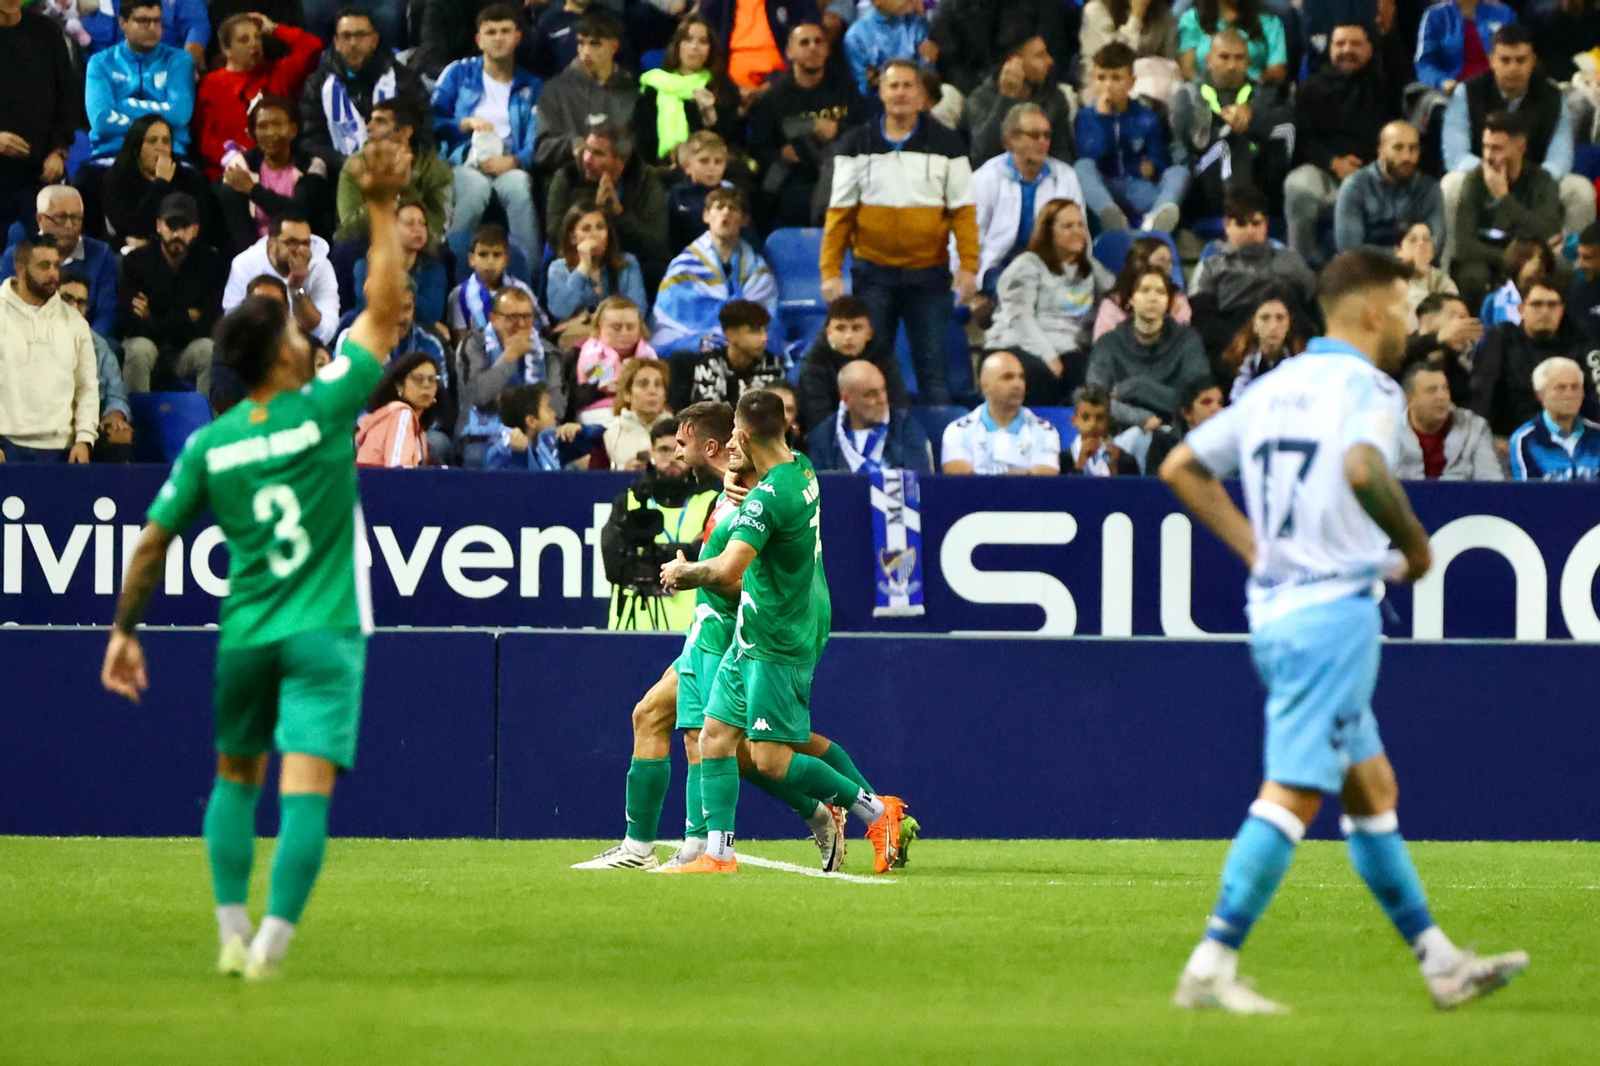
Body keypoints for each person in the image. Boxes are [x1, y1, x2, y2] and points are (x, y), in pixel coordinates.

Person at [1160, 247, 1529, 1014]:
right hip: (1330, 614)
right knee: (1294, 793)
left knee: (1373, 789)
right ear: (1369, 312)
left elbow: (1183, 467)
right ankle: (1211, 962)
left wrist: (1256, 551)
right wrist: (1419, 547)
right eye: (1402, 307)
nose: (1409, 322)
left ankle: (1439, 962)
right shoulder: (1367, 386)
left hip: (1285, 608)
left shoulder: (1278, 384)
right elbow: (1364, 468)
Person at [99, 136, 414, 981]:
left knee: (235, 778)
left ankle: (232, 930)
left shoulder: (210, 447)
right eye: (294, 330)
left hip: (244, 633)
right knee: (304, 790)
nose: (307, 334)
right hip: (325, 633)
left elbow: (154, 540)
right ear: (279, 354)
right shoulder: (323, 411)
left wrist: (125, 631)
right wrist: (381, 206)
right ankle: (271, 948)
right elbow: (385, 315)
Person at [574, 400, 865, 873]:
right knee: (655, 717)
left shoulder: (752, 502)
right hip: (705, 635)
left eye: (680, 444)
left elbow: (739, 580)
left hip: (731, 637)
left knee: (735, 746)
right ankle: (639, 848)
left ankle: (818, 813)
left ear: (721, 442)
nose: (671, 455)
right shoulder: (735, 491)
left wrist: (691, 572)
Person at [658, 388, 915, 875]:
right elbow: (760, 475)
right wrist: (740, 476)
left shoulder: (767, 502)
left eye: (735, 431)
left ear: (746, 433)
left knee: (772, 760)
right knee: (714, 735)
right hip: (759, 627)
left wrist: (683, 572)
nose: (731, 440)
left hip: (778, 632)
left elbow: (729, 568)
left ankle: (877, 813)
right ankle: (719, 852)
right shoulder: (801, 466)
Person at [821, 59, 978, 405]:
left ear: (922, 94)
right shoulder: (854, 144)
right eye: (893, 86)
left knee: (933, 371)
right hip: (873, 275)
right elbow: (839, 216)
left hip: (930, 277)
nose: (901, 93)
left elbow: (963, 213)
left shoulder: (948, 143)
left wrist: (969, 266)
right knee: (869, 368)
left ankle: (936, 455)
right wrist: (830, 271)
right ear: (881, 93)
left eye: (908, 86)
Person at [1441, 26, 1594, 265]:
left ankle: (1570, 274)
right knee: (1451, 185)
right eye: (1505, 60)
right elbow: (1455, 155)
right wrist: (1492, 177)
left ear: (1532, 61)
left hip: (1535, 181)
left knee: (1580, 190)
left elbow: (1560, 157)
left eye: (1521, 60)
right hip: (1482, 179)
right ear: (1491, 60)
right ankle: (1451, 272)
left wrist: (1523, 180)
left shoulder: (1553, 95)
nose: (1513, 67)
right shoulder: (1467, 92)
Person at [1284, 22, 1403, 264]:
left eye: (1355, 44)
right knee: (1296, 186)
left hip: (1371, 174)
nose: (1347, 49)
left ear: (1370, 50)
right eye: (1340, 43)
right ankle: (1300, 269)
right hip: (1323, 170)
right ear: (1329, 49)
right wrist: (1333, 162)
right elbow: (1304, 140)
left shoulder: (1384, 85)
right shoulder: (1311, 89)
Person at [432, 4, 543, 259]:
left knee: (519, 189)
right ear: (479, 40)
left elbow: (537, 138)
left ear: (518, 37)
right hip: (465, 162)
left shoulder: (533, 85)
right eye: (490, 32)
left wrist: (515, 161)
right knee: (474, 189)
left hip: (509, 164)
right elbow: (429, 122)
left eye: (505, 31)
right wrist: (463, 124)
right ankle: (453, 268)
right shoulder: (458, 73)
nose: (498, 38)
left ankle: (527, 281)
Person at [985, 199, 1115, 403]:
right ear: (1049, 232)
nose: (1077, 231)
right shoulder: (1027, 264)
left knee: (1094, 378)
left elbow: (1119, 294)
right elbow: (1020, 318)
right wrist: (1048, 356)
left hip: (1069, 348)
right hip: (1018, 345)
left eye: (1081, 225)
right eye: (1068, 226)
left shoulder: (1090, 267)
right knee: (1040, 378)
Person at [746, 21, 864, 231]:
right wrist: (781, 153)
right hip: (799, 179)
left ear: (827, 49)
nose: (813, 48)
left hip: (843, 172)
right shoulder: (774, 98)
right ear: (789, 52)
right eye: (804, 42)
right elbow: (758, 149)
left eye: (819, 41)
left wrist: (837, 130)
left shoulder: (845, 86)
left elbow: (867, 132)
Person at [969, 103, 1084, 313]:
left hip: (1052, 267)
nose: (1043, 142)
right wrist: (968, 285)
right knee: (1021, 292)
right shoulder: (985, 178)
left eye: (1047, 135)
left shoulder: (1066, 177)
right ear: (1011, 139)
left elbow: (1079, 235)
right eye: (1034, 136)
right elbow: (968, 237)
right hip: (999, 267)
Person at [1168, 30, 1292, 221]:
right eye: (1224, 57)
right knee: (1230, 143)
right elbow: (1196, 142)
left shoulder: (1260, 92)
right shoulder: (1189, 95)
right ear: (1209, 60)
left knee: (1285, 129)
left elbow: (1286, 120)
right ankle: (1241, 218)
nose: (1232, 65)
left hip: (1253, 173)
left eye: (1239, 58)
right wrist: (1225, 122)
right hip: (1201, 181)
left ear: (1248, 62)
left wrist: (1250, 118)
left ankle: (1272, 212)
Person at [0, 235, 98, 463]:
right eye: (44, 266)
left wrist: (84, 439)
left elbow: (87, 387)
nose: (54, 274)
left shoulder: (75, 322)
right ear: (20, 269)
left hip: (60, 449)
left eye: (56, 265)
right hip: (6, 447)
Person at [1451, 111, 1563, 310]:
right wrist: (1508, 259)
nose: (1488, 156)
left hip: (1531, 258)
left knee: (1561, 269)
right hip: (1487, 257)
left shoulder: (1541, 181)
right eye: (1485, 147)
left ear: (1520, 148)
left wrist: (1504, 198)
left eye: (1497, 148)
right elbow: (1464, 243)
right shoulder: (1474, 181)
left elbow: (1548, 231)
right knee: (1474, 275)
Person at [1073, 43, 1187, 233]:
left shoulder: (1146, 117)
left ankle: (1156, 220)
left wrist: (1153, 166)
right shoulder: (1086, 117)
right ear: (1093, 80)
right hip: (1105, 188)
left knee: (1179, 172)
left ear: (1131, 82)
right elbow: (1091, 156)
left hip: (1138, 189)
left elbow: (1160, 159)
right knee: (1080, 167)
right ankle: (1110, 216)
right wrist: (1102, 119)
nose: (1108, 85)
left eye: (1116, 78)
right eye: (1101, 78)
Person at [119, 192, 226, 394]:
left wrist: (151, 319)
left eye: (184, 227)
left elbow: (208, 324)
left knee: (209, 350)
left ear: (195, 229)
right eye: (171, 226)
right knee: (138, 349)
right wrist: (187, 317)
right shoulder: (136, 261)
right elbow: (130, 323)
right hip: (150, 348)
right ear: (159, 226)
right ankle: (134, 424)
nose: (177, 234)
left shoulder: (211, 262)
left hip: (187, 352)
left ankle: (209, 422)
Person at [194, 13, 324, 180]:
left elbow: (313, 46)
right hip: (230, 173)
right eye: (244, 40)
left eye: (257, 37)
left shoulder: (278, 74)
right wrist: (236, 161)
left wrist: (275, 30)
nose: (254, 45)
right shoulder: (209, 86)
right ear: (226, 49)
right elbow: (206, 141)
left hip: (279, 169)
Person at [299, 7, 429, 173]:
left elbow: (424, 134)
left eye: (360, 35)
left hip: (398, 172)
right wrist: (349, 164)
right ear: (336, 43)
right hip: (337, 175)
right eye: (346, 36)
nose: (353, 43)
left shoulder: (404, 80)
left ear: (375, 40)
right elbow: (311, 142)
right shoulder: (317, 84)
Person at [652, 188, 778, 355]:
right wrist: (697, 342)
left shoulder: (757, 270)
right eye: (719, 207)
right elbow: (668, 323)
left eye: (733, 208)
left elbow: (769, 318)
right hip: (696, 353)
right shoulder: (684, 267)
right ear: (706, 216)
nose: (725, 212)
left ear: (744, 220)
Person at [544, 125, 671, 290]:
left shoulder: (644, 179)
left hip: (630, 259)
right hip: (579, 258)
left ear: (621, 160)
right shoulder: (568, 177)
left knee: (656, 266)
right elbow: (555, 233)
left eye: (598, 154)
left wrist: (619, 216)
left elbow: (656, 241)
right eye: (586, 150)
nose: (587, 159)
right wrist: (594, 211)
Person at [1189, 187, 1317, 349]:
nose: (1249, 231)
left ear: (1266, 225)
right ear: (1227, 225)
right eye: (1241, 224)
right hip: (1233, 349)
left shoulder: (1291, 261)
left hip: (1290, 349)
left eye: (1256, 223)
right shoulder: (1210, 267)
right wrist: (1244, 343)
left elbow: (1314, 308)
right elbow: (1203, 320)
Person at [1471, 280, 1596, 445]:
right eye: (1537, 304)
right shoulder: (1503, 338)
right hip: (1508, 441)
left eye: (1552, 305)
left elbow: (1595, 401)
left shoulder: (1580, 342)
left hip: (1572, 442)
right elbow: (1481, 395)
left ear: (1562, 310)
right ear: (1522, 310)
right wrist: (1485, 440)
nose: (1545, 311)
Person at [456, 286, 565, 466]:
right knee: (476, 456)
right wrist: (509, 357)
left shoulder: (548, 352)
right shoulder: (473, 345)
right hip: (482, 436)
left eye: (527, 317)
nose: (521, 324)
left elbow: (557, 406)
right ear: (494, 319)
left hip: (537, 435)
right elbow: (476, 395)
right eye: (513, 317)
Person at [1088, 268, 1208, 429]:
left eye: (1160, 292)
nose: (1152, 298)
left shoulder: (1187, 341)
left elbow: (1199, 399)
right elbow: (1093, 401)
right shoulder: (1108, 343)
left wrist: (1139, 387)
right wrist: (1140, 418)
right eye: (1144, 290)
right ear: (1130, 299)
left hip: (1176, 431)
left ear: (1168, 302)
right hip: (1122, 432)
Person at [0, 0, 79, 242]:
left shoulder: (46, 32)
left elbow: (68, 98)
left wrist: (59, 151)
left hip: (41, 170)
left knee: (48, 256)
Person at [217, 95, 336, 255]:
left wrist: (253, 190)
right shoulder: (241, 166)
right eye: (262, 126)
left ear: (293, 130)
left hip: (304, 252)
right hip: (254, 256)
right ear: (254, 133)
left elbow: (300, 213)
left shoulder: (312, 165)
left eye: (277, 125)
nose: (270, 132)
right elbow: (237, 231)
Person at [2, 186, 121, 339]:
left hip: (88, 341)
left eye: (76, 218)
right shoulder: (15, 256)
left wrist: (83, 344)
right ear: (40, 219)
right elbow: (8, 312)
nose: (69, 226)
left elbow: (107, 315)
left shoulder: (101, 254)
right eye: (61, 218)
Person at [84, 0, 196, 161]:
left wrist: (126, 105)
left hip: (169, 154)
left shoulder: (180, 60)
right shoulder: (101, 62)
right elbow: (101, 121)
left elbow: (179, 115)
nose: (152, 28)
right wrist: (158, 121)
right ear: (123, 23)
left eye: (157, 21)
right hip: (113, 153)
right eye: (143, 21)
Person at [334, 98, 454, 247]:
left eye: (380, 121)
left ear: (405, 132)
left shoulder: (436, 171)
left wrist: (405, 189)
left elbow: (438, 228)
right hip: (369, 243)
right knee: (346, 247)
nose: (368, 127)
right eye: (370, 120)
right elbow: (350, 229)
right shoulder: (355, 166)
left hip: (419, 248)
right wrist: (387, 194)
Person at [532, 10, 637, 178]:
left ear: (614, 46)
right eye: (581, 43)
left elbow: (640, 146)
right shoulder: (555, 89)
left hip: (621, 180)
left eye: (595, 44)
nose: (586, 51)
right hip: (571, 181)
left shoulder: (629, 91)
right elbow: (541, 150)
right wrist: (574, 144)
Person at [634, 15, 743, 164]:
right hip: (660, 170)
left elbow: (730, 141)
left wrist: (710, 116)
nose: (694, 47)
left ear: (711, 48)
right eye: (688, 39)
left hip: (710, 170)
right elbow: (643, 142)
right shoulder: (655, 85)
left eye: (703, 41)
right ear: (678, 45)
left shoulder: (722, 86)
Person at [223, 210, 342, 346]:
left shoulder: (321, 266)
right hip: (256, 348)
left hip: (304, 349)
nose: (300, 250)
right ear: (271, 243)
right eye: (291, 242)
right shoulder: (245, 264)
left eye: (305, 243)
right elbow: (232, 324)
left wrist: (296, 289)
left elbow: (325, 332)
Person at [796, 294, 908, 434]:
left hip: (879, 435)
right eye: (840, 328)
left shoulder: (883, 357)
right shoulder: (814, 362)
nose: (848, 336)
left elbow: (899, 407)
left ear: (869, 333)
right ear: (828, 332)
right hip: (830, 440)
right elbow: (818, 418)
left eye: (856, 328)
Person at [100, 116, 214, 250]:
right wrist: (161, 185)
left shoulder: (188, 178)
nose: (160, 148)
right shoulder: (117, 180)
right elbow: (132, 227)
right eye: (152, 141)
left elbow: (202, 226)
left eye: (166, 141)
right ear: (137, 148)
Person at [941, 350, 1061, 475]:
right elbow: (959, 481)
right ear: (984, 386)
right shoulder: (958, 430)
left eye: (1021, 377)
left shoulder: (1044, 430)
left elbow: (1045, 477)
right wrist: (1021, 475)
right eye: (1008, 377)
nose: (1018, 384)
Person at [964, 33, 1074, 168]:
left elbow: (1063, 155)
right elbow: (982, 156)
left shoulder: (1054, 97)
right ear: (1014, 62)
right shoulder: (980, 99)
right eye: (1040, 56)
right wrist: (1007, 99)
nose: (1049, 61)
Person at [1335, 122, 1446, 254]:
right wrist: (1399, 256)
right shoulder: (1355, 186)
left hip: (1416, 270)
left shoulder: (1429, 189)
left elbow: (1435, 245)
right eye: (1398, 148)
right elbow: (1350, 250)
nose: (1407, 156)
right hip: (1367, 270)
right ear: (1381, 152)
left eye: (1413, 148)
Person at [58, 271, 134, 462]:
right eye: (67, 299)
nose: (74, 307)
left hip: (87, 424)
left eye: (81, 302)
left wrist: (115, 418)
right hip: (48, 424)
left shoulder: (99, 347)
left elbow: (116, 397)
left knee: (121, 437)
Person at [806, 358, 932, 472]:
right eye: (871, 394)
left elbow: (918, 485)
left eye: (883, 390)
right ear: (846, 399)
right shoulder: (824, 436)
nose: (882, 399)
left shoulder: (906, 428)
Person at [927, 0, 1071, 97]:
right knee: (947, 99)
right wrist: (990, 89)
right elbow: (950, 66)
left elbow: (1054, 54)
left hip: (1033, 84)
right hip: (974, 91)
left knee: (1067, 95)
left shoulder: (1041, 4)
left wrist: (1029, 85)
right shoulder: (951, 8)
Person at [666, 298, 789, 409]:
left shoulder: (773, 365)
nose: (764, 338)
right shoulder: (711, 364)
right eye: (754, 331)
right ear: (730, 335)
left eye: (765, 331)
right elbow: (707, 416)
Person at [348, 201, 449, 334]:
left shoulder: (434, 269)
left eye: (422, 223)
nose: (418, 229)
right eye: (410, 223)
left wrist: (396, 274)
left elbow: (431, 314)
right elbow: (369, 306)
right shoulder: (365, 266)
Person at [1395, 359, 1501, 480]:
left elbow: (1491, 482)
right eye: (1431, 390)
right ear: (1409, 399)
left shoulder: (1474, 427)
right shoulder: (1388, 431)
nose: (1442, 396)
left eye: (1445, 389)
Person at [544, 201, 648, 324]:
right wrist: (583, 268)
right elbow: (560, 311)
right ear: (573, 237)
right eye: (586, 229)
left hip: (620, 337)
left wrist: (587, 319)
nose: (594, 235)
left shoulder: (627, 263)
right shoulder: (558, 269)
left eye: (600, 227)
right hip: (577, 341)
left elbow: (638, 311)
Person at [1509, 355, 1600, 479]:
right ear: (1540, 395)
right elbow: (1526, 495)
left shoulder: (1597, 434)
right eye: (1560, 388)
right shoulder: (1524, 440)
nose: (1569, 395)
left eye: (1575, 387)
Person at [1114, 373, 1224, 474]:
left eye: (1220, 403)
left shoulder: (1232, 446)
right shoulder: (1163, 445)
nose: (1216, 408)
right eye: (1206, 402)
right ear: (1187, 413)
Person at [573, 295, 658, 423]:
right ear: (598, 328)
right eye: (616, 327)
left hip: (642, 409)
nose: (624, 333)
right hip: (599, 409)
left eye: (630, 327)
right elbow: (591, 383)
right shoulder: (591, 352)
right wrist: (611, 361)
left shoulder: (648, 354)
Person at [447, 222, 537, 342]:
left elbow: (536, 329)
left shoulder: (522, 290)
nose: (490, 261)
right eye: (483, 255)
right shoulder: (459, 295)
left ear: (506, 260)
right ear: (471, 260)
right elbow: (461, 341)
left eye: (497, 255)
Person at [1093, 236, 1192, 340]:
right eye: (1161, 260)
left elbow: (1182, 341)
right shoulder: (1114, 302)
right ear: (1139, 262)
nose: (1169, 266)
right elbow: (1102, 344)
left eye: (1170, 261)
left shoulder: (1178, 300)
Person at [1176, 0, 1287, 91]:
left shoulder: (1269, 22)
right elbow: (1187, 70)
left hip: (1254, 94)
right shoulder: (1192, 19)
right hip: (1204, 93)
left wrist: (1248, 86)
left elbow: (1277, 71)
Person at [355, 350, 439, 467]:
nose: (426, 385)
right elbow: (399, 471)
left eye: (432, 379)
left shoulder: (419, 429)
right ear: (400, 386)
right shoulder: (401, 414)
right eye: (418, 379)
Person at [1415, 0, 1517, 93]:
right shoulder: (1434, 15)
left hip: (1497, 89)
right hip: (1452, 91)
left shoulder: (1504, 13)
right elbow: (1424, 63)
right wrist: (1443, 82)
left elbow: (1516, 53)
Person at [1077, 0, 1180, 88]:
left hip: (1150, 88)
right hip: (1104, 87)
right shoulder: (1095, 10)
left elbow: (1170, 63)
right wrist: (1136, 17)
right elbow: (1112, 60)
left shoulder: (1163, 14)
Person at [1221, 296, 1304, 400]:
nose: (1273, 326)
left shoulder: (1303, 364)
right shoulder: (1234, 362)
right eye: (1265, 318)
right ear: (1254, 324)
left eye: (1280, 318)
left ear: (1289, 323)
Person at [1407, 291, 1482, 405]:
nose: (1466, 324)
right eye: (1459, 318)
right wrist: (1440, 337)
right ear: (1428, 320)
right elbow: (1410, 348)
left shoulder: (1457, 369)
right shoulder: (1401, 351)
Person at [600, 357, 671, 470]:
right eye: (643, 384)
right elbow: (599, 482)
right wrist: (624, 473)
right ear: (627, 394)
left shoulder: (681, 434)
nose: (652, 391)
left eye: (658, 385)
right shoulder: (611, 435)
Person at [1060, 383, 1137, 476]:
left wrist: (1113, 466)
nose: (1093, 424)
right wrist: (1080, 464)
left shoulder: (1124, 460)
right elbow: (1063, 490)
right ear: (1074, 421)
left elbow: (1130, 490)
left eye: (1100, 418)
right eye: (1085, 417)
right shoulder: (1063, 460)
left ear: (1108, 420)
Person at [1392, 223, 1457, 331]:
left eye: (1427, 239)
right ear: (1398, 251)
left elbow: (1454, 310)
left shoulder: (1442, 280)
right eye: (1413, 240)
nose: (1421, 244)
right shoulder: (1391, 282)